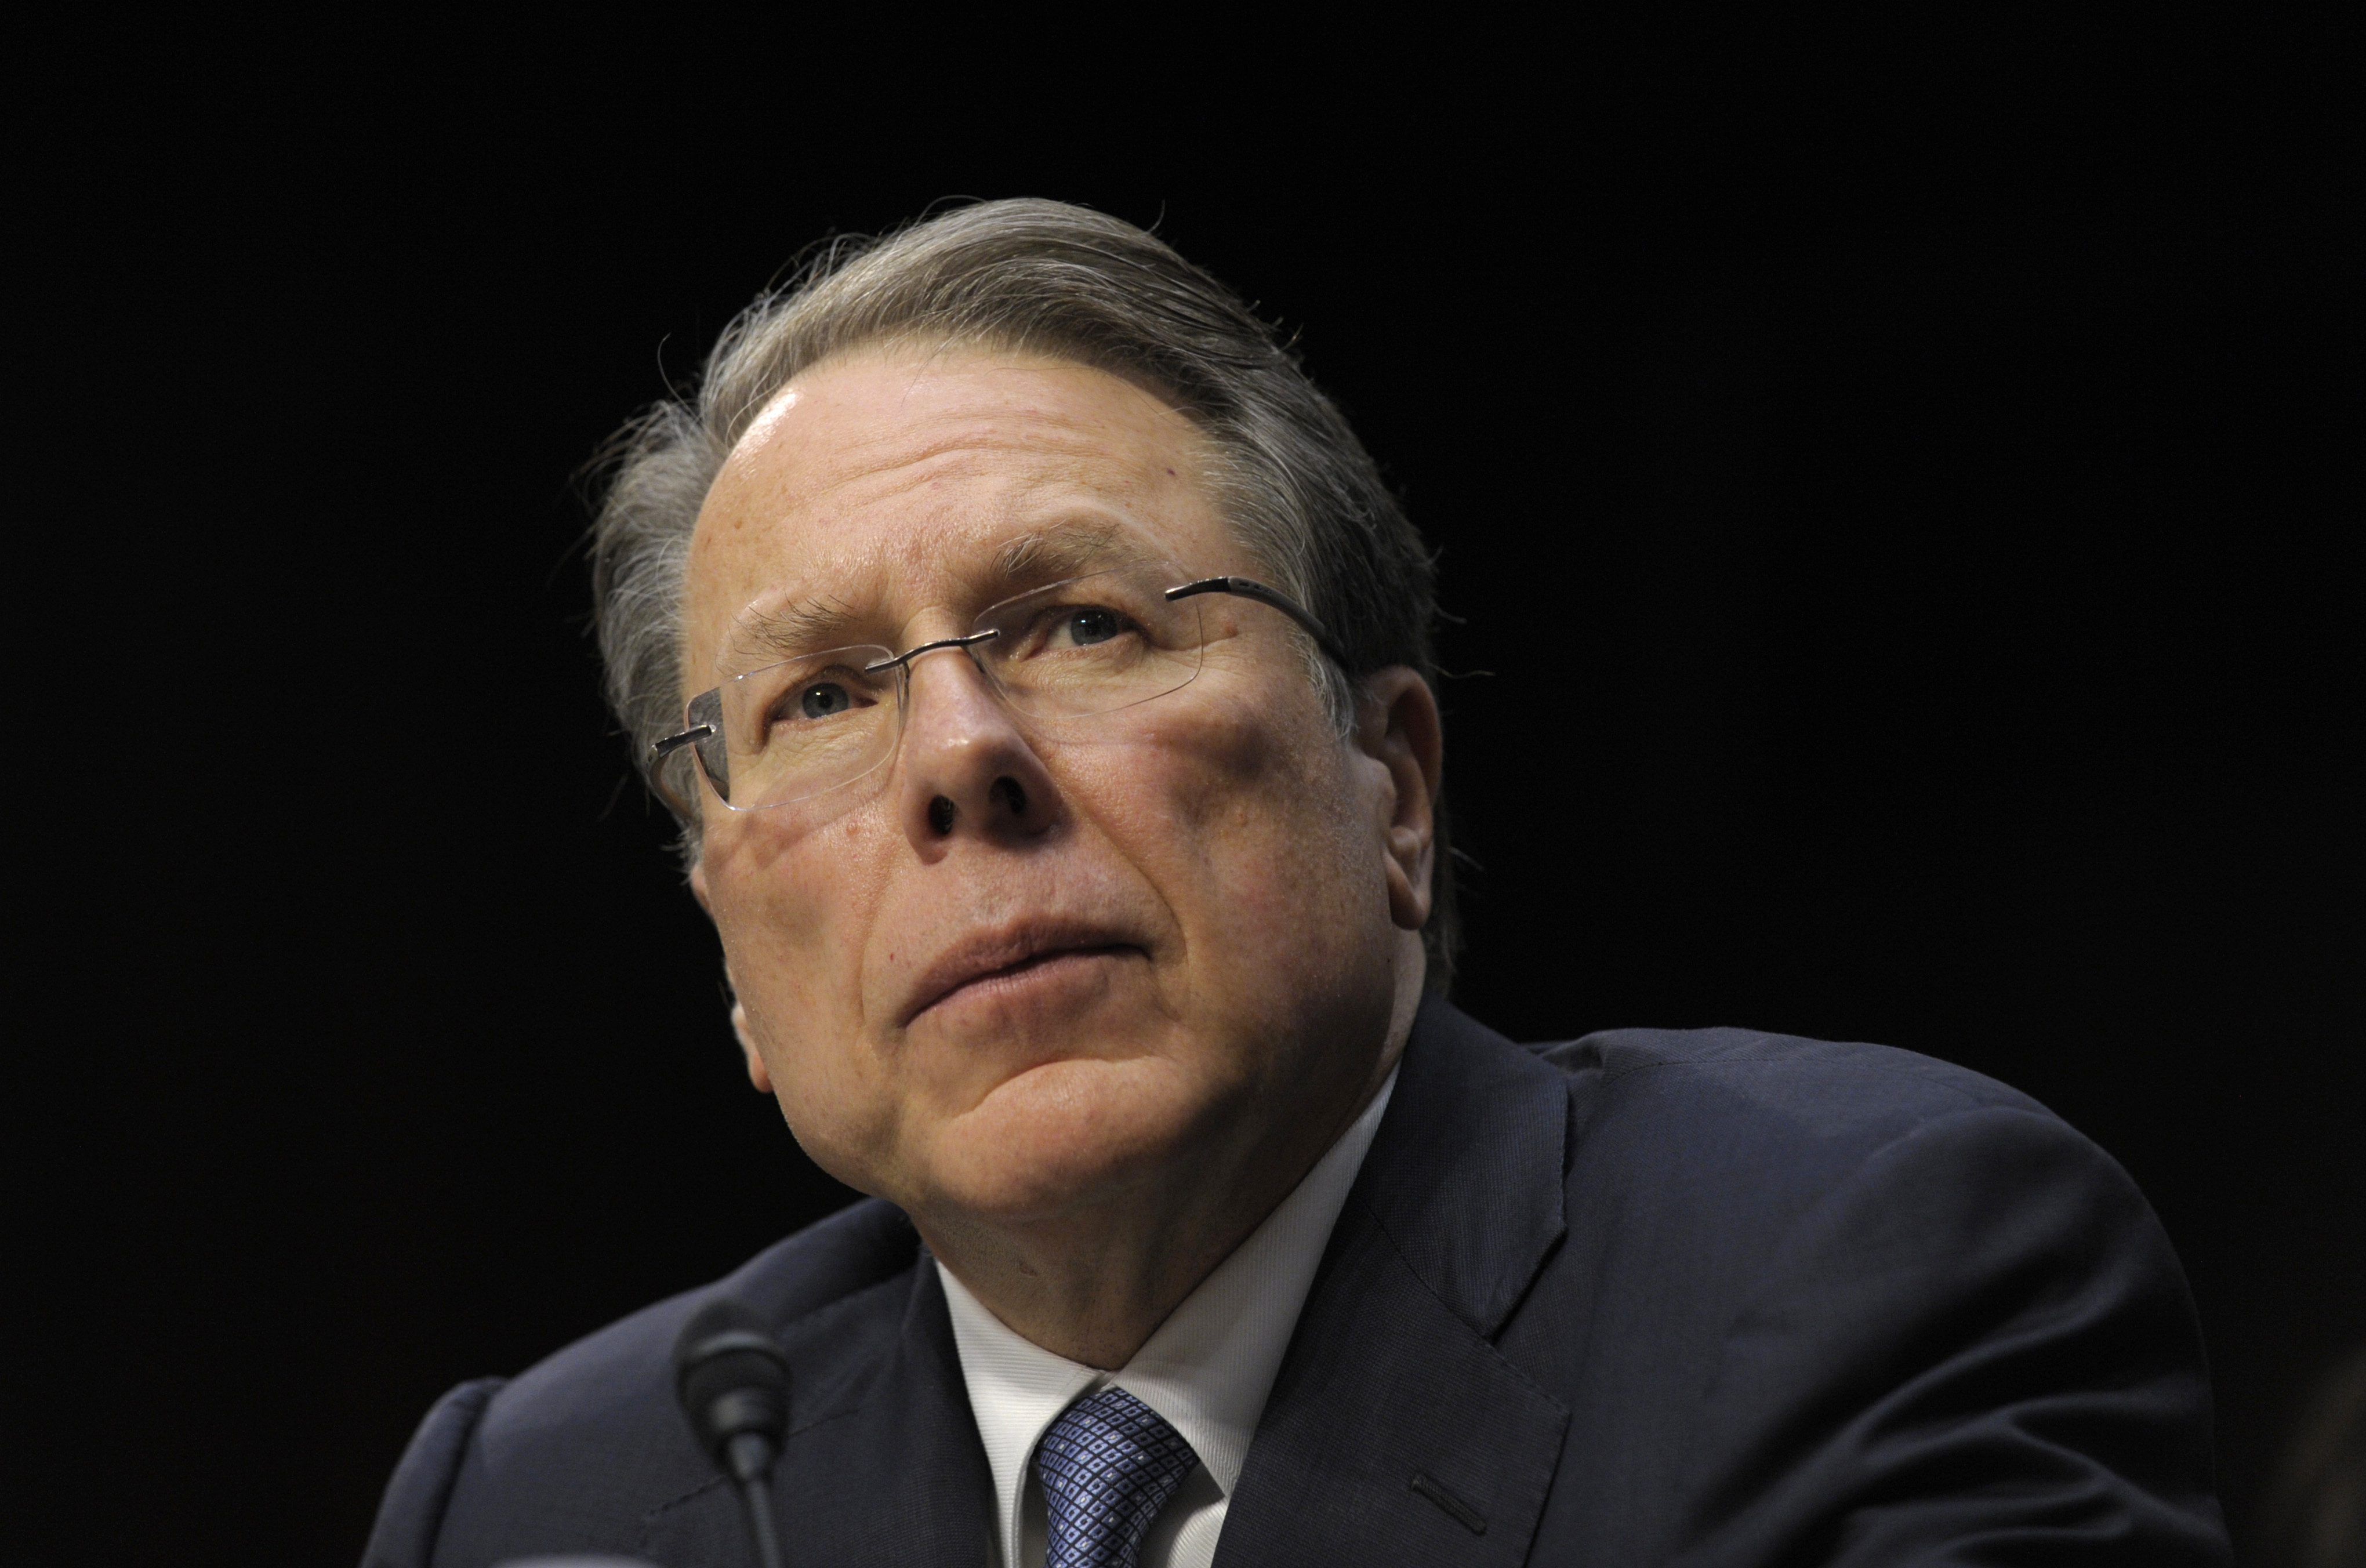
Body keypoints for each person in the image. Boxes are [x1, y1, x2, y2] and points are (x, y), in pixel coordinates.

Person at [364, 199, 2232, 1567]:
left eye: (1084, 624)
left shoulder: (1859, 1288)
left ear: (1392, 786)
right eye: (825, 698)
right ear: (732, 961)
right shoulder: (550, 1499)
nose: (956, 756)